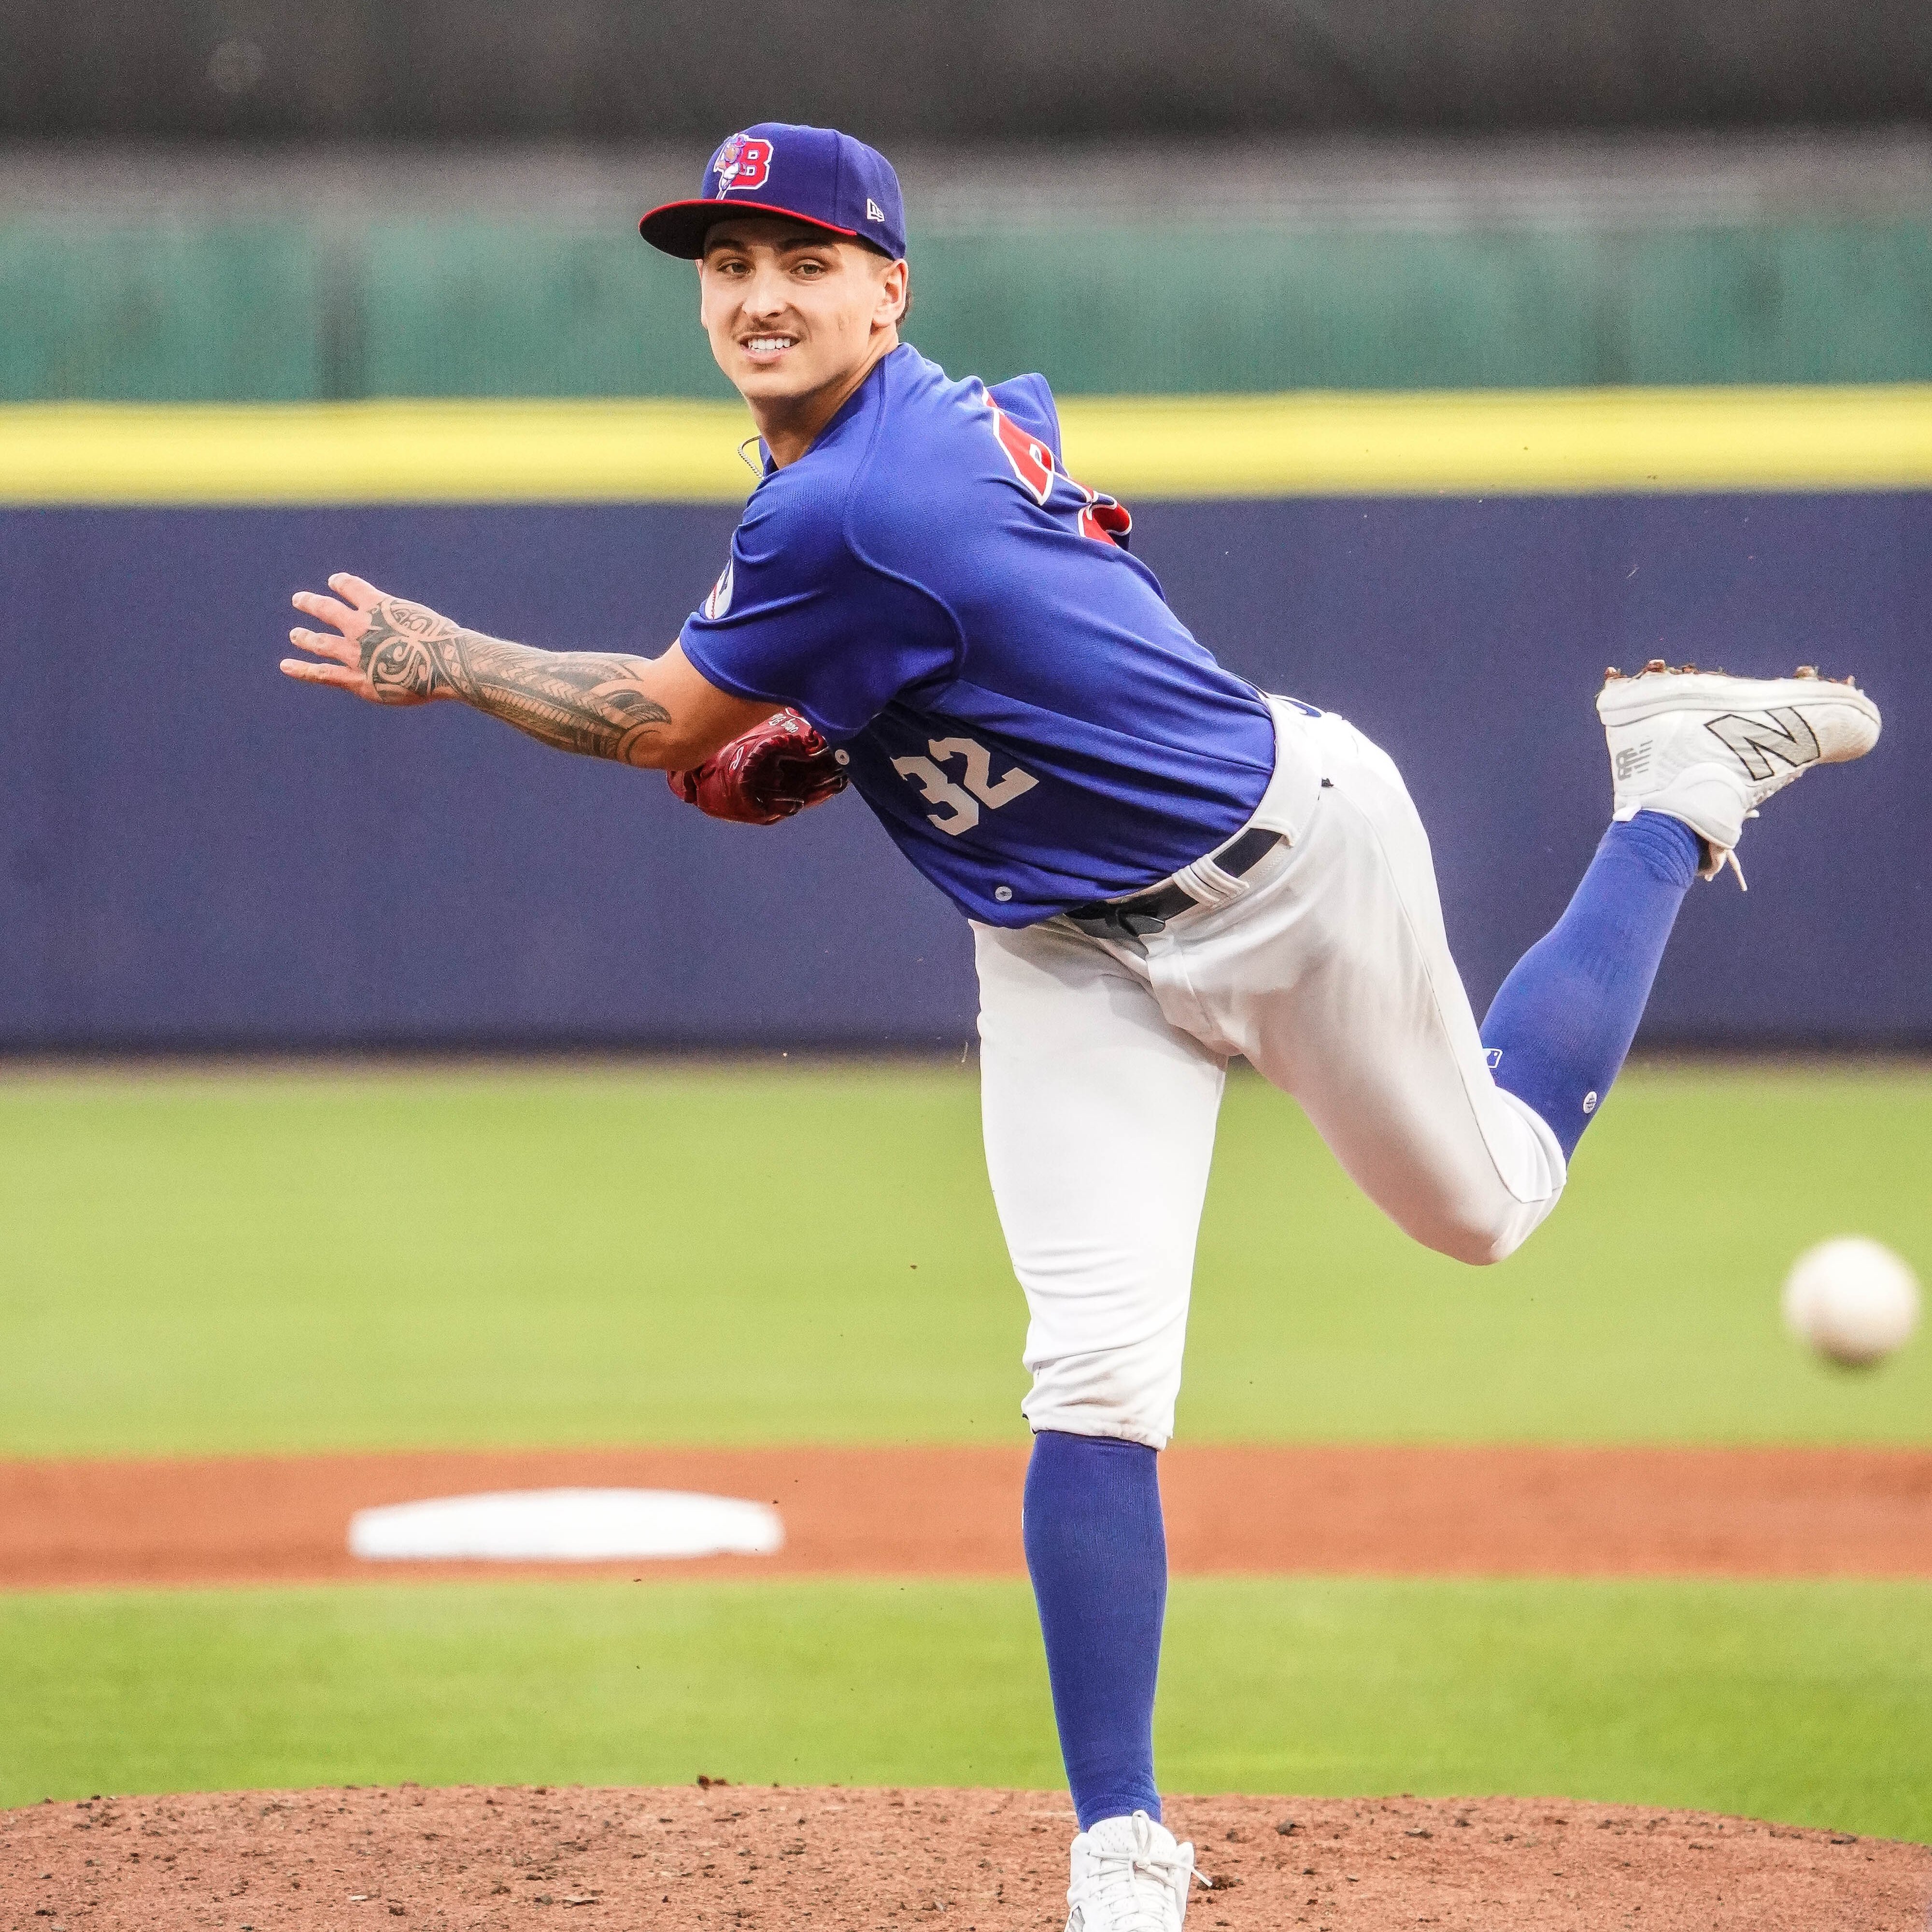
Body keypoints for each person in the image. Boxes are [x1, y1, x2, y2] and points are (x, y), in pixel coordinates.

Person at [281, 123, 1882, 1932]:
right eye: (727, 266)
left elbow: (654, 722)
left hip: (1290, 869)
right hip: (1059, 949)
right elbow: (1037, 528)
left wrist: (449, 654)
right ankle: (1120, 1840)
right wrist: (870, 717)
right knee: (1094, 1373)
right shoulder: (921, 431)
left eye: (804, 261)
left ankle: (1671, 790)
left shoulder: (848, 503)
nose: (757, 296)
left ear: (889, 289)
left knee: (1490, 1206)